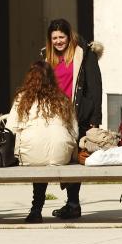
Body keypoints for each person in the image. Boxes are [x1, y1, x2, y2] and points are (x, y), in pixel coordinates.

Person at [38, 18, 103, 220]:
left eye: (62, 37)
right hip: (54, 116)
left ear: (69, 36)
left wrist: (95, 117)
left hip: (78, 114)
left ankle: (73, 204)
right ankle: (38, 206)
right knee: (49, 158)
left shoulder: (84, 54)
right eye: (54, 38)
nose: (58, 41)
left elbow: (95, 86)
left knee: (74, 159)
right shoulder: (46, 57)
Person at [1, 62, 78, 223]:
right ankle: (72, 203)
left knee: (38, 158)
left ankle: (36, 209)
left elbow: (10, 129)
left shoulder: (22, 99)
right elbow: (75, 131)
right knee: (63, 155)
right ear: (52, 78)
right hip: (61, 154)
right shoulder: (62, 98)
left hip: (31, 154)